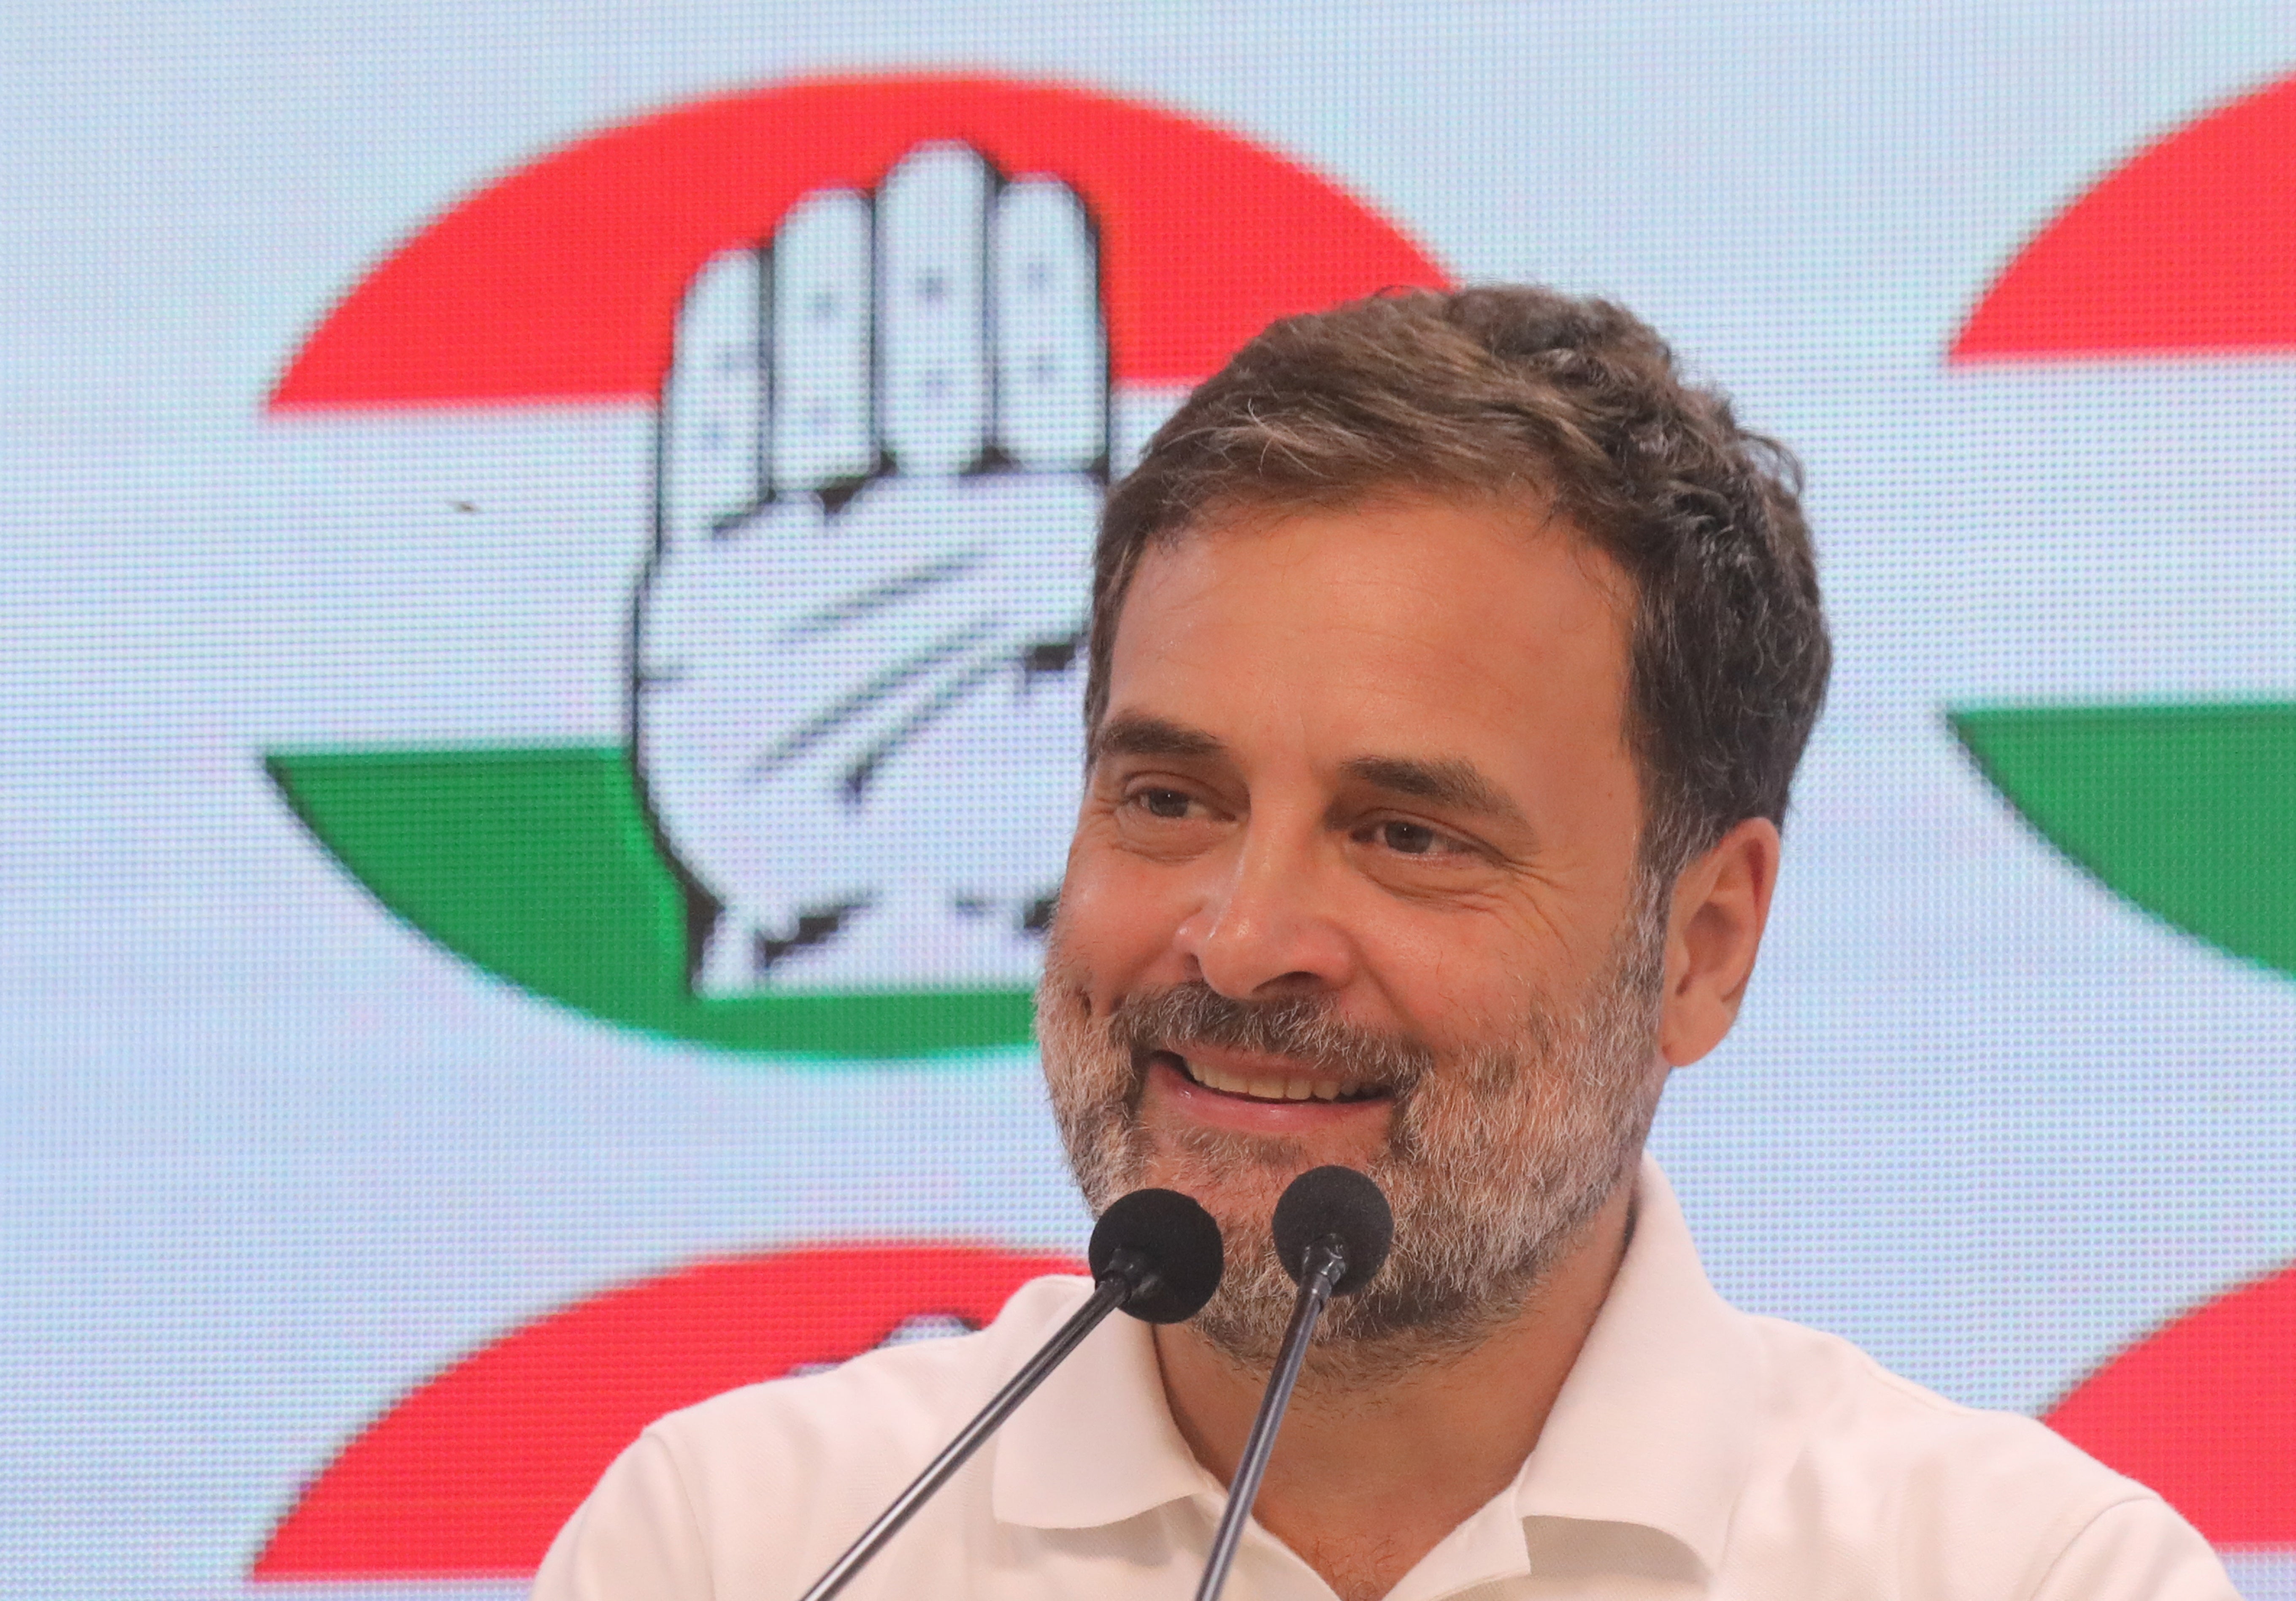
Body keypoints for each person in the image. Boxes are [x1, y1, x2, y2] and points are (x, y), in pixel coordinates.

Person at [533, 286, 2237, 1600]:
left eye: (1404, 834)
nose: (1245, 936)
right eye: (1168, 800)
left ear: (1701, 944)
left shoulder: (2017, 1575)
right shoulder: (748, 1547)